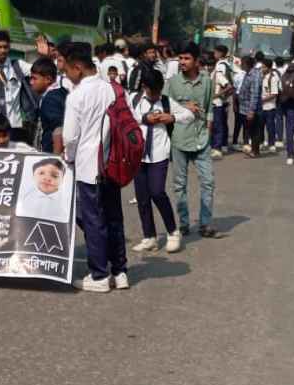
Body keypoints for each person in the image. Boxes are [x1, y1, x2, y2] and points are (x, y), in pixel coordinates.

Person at [60, 41, 128, 292]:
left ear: (78, 67)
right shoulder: (113, 89)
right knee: (114, 218)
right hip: (113, 163)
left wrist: (69, 158)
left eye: (67, 70)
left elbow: (69, 136)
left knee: (93, 221)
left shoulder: (77, 95)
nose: (66, 74)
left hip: (89, 167)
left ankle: (99, 275)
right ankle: (120, 272)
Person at [129, 66, 194, 253]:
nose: (156, 95)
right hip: (138, 155)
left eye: (159, 91)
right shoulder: (134, 100)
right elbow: (127, 118)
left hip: (159, 153)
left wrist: (171, 117)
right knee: (142, 197)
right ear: (144, 87)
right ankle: (149, 236)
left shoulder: (165, 101)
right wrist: (145, 118)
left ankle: (173, 232)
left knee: (157, 192)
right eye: (152, 91)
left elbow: (188, 115)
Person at [164, 43, 218, 238]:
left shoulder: (207, 82)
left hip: (202, 139)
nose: (182, 62)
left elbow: (210, 108)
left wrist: (209, 130)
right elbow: (163, 108)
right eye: (180, 58)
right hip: (179, 138)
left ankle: (205, 224)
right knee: (179, 184)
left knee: (208, 181)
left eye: (187, 59)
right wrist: (183, 105)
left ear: (196, 61)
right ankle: (184, 223)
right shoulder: (172, 83)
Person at [210, 44, 236, 157]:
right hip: (224, 99)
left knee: (217, 125)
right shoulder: (227, 64)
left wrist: (217, 95)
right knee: (222, 123)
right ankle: (223, 145)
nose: (214, 54)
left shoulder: (220, 66)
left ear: (220, 53)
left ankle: (217, 147)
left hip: (218, 101)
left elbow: (228, 85)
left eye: (215, 52)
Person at [237, 54, 264, 157]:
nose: (240, 65)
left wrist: (251, 110)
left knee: (254, 130)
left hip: (252, 109)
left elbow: (255, 94)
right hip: (245, 107)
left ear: (246, 64)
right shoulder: (248, 74)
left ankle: (255, 151)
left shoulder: (255, 75)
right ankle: (252, 149)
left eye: (242, 63)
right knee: (250, 129)